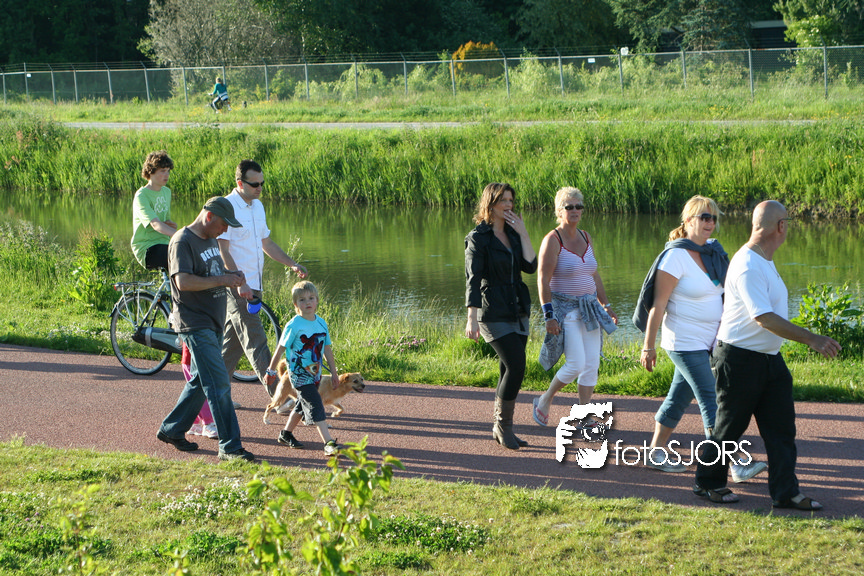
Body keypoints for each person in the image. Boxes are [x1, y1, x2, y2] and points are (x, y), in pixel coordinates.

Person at [694, 200, 840, 508]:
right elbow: (763, 317)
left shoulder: (764, 260)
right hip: (738, 359)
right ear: (781, 226)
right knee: (729, 427)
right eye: (788, 223)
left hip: (769, 359)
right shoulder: (748, 264)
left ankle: (786, 493)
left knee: (781, 430)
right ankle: (708, 483)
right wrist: (811, 339)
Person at [636, 195, 766, 481]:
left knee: (678, 398)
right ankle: (732, 463)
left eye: (713, 218)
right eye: (704, 217)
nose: (710, 223)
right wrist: (648, 346)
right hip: (683, 343)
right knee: (712, 398)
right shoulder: (675, 257)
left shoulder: (712, 252)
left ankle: (655, 452)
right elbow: (658, 305)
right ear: (688, 221)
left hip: (709, 342)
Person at [156, 197, 255, 462]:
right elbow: (184, 281)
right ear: (209, 216)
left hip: (213, 321)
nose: (225, 230)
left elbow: (211, 272)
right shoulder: (182, 241)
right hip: (195, 322)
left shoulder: (210, 239)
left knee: (201, 380)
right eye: (223, 224)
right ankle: (230, 447)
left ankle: (172, 429)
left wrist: (232, 277)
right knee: (219, 383)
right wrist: (224, 279)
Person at [218, 159, 308, 402]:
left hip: (254, 286)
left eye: (262, 183)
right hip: (237, 286)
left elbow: (265, 243)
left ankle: (212, 395)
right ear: (240, 183)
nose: (260, 188)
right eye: (254, 184)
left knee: (233, 345)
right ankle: (281, 397)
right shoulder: (227, 206)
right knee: (257, 340)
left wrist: (291, 263)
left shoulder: (257, 206)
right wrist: (240, 283)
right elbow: (223, 250)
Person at [534, 187, 618, 430]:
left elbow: (594, 274)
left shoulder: (586, 236)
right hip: (566, 310)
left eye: (578, 206)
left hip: (590, 310)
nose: (574, 210)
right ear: (559, 211)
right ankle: (545, 399)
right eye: (569, 206)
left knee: (591, 365)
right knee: (576, 364)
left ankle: (583, 414)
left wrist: (606, 305)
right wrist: (549, 316)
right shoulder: (553, 240)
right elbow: (543, 280)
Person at [465, 182, 538, 450]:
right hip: (492, 310)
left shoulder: (514, 233)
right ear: (491, 204)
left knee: (508, 368)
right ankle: (503, 426)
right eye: (503, 200)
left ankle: (501, 426)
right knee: (517, 366)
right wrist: (471, 318)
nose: (509, 205)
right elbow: (473, 280)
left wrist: (524, 233)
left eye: (511, 200)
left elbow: (530, 266)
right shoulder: (478, 238)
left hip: (517, 308)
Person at [264, 281, 340, 456]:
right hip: (299, 375)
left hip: (316, 374)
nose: (308, 302)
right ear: (295, 304)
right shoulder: (294, 325)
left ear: (317, 300)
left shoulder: (321, 323)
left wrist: (334, 373)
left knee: (301, 404)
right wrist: (271, 370)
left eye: (311, 298)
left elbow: (327, 349)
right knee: (315, 404)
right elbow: (280, 349)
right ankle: (328, 443)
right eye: (302, 300)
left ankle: (286, 434)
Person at [131, 150, 177, 270]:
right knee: (180, 256)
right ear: (151, 171)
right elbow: (156, 225)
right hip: (147, 247)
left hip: (165, 244)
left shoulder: (166, 192)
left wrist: (172, 226)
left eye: (168, 171)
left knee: (194, 256)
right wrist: (181, 235)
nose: (166, 175)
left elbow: (165, 222)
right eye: (162, 171)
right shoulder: (142, 195)